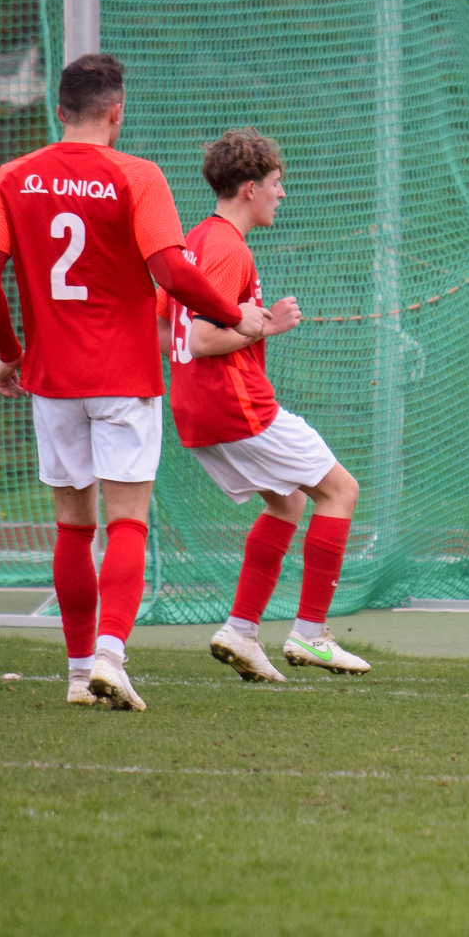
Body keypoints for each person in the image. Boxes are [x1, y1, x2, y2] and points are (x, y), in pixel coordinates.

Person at [0, 53, 265, 711]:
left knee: (73, 529)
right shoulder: (138, 175)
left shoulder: (13, 176)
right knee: (127, 521)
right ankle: (110, 655)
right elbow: (172, 272)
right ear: (117, 113)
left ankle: (79, 674)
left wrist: (11, 353)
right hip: (123, 377)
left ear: (60, 110)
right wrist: (233, 314)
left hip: (52, 379)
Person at [156, 129, 369, 683]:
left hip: (196, 408)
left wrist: (234, 338)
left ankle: (241, 631)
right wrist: (267, 327)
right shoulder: (229, 247)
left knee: (288, 504)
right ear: (250, 188)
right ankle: (311, 633)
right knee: (340, 491)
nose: (282, 193)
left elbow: (163, 325)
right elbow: (203, 338)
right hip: (237, 404)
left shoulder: (195, 239)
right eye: (276, 183)